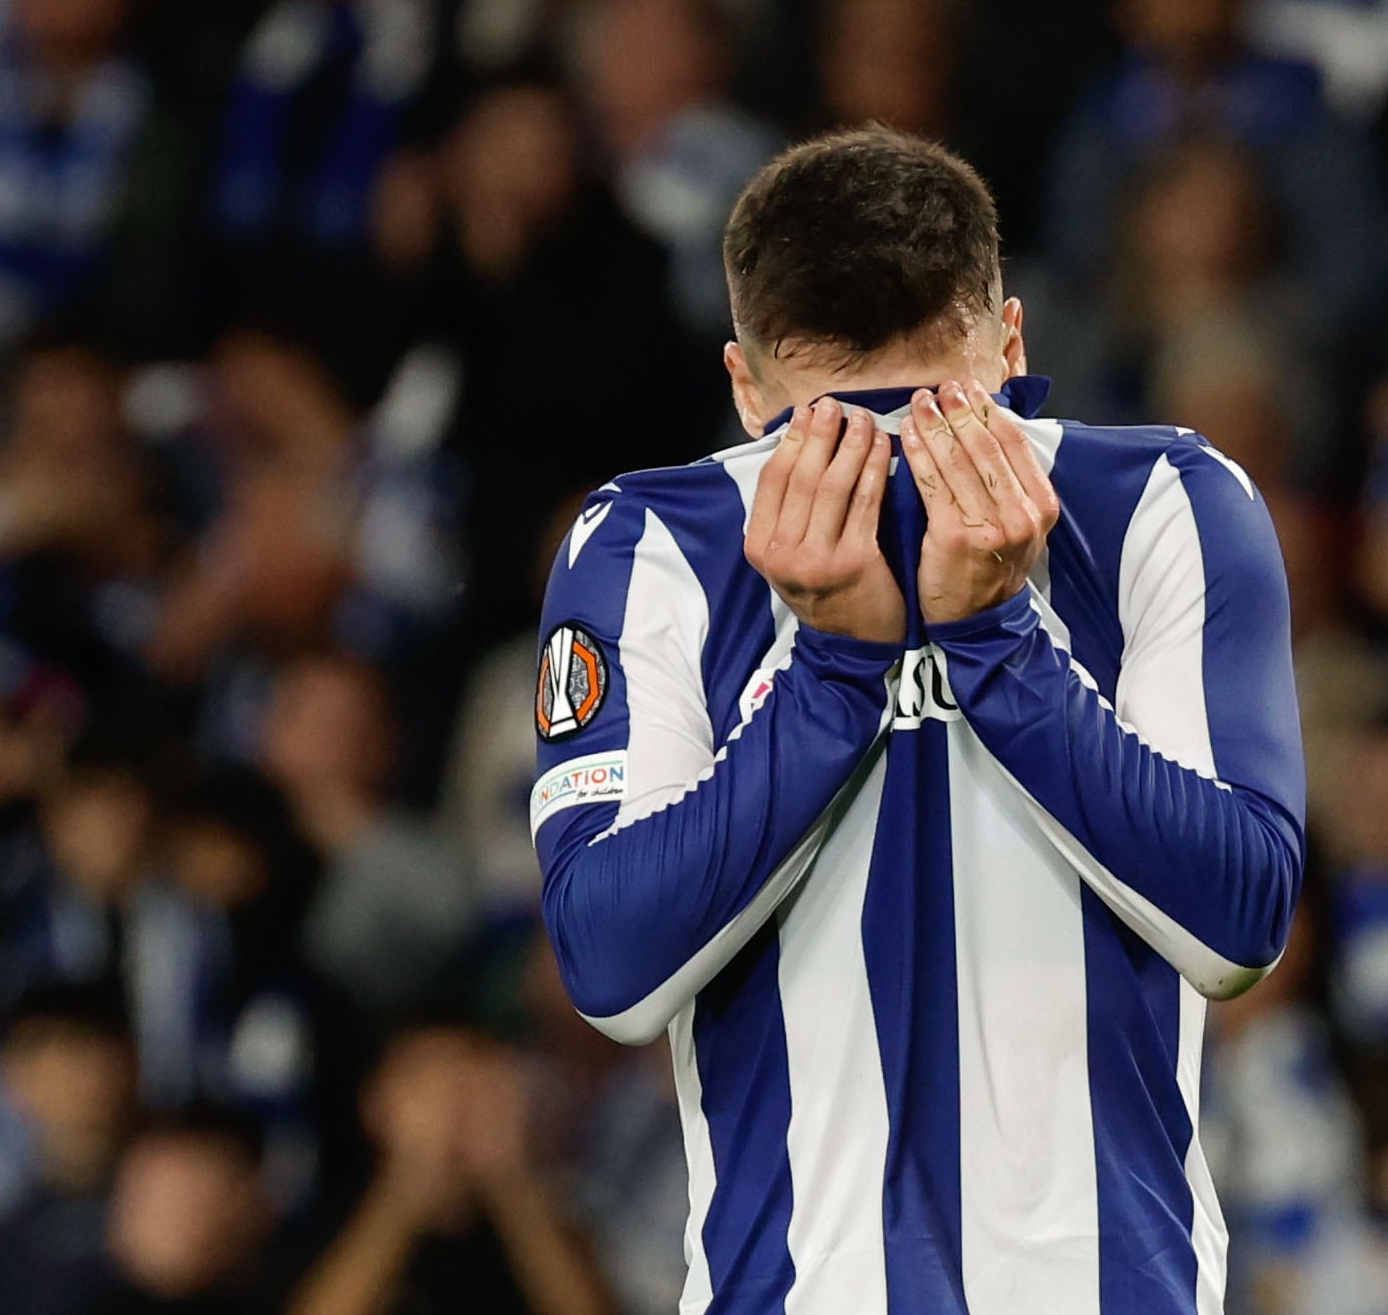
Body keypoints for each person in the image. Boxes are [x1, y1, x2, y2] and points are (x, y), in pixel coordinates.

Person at [529, 128, 1305, 1310]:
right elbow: (616, 967)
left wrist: (998, 643)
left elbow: (1238, 919)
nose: (893, 468)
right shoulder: (656, 543)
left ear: (743, 383)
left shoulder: (1162, 503)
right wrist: (839, 667)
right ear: (1008, 333)